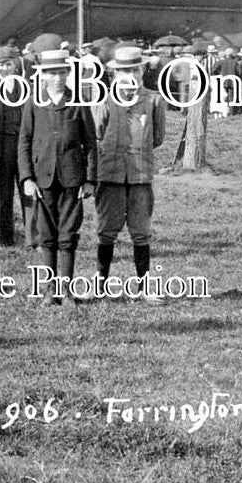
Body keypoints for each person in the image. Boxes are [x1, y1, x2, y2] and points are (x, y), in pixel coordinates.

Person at [18, 48, 98, 307]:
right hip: (42, 180)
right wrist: (28, 178)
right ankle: (49, 291)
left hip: (72, 179)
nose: (58, 78)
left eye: (63, 72)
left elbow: (91, 145)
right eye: (52, 73)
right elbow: (24, 143)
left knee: (68, 234)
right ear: (43, 76)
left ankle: (67, 291)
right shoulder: (34, 103)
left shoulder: (78, 102)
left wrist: (89, 180)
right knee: (46, 235)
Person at [89, 47, 166, 303]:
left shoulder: (154, 100)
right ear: (114, 73)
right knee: (107, 231)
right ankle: (100, 286)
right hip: (110, 175)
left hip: (140, 177)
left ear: (142, 70)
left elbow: (157, 138)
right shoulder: (103, 101)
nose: (129, 74)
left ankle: (145, 288)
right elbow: (97, 135)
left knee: (141, 232)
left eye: (134, 69)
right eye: (124, 70)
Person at [0, 46, 32, 247]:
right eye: (0, 65)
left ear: (15, 64)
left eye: (8, 64)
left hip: (24, 146)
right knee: (5, 196)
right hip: (2, 148)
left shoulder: (28, 87)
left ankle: (33, 237)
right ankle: (6, 239)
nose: (4, 68)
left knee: (28, 193)